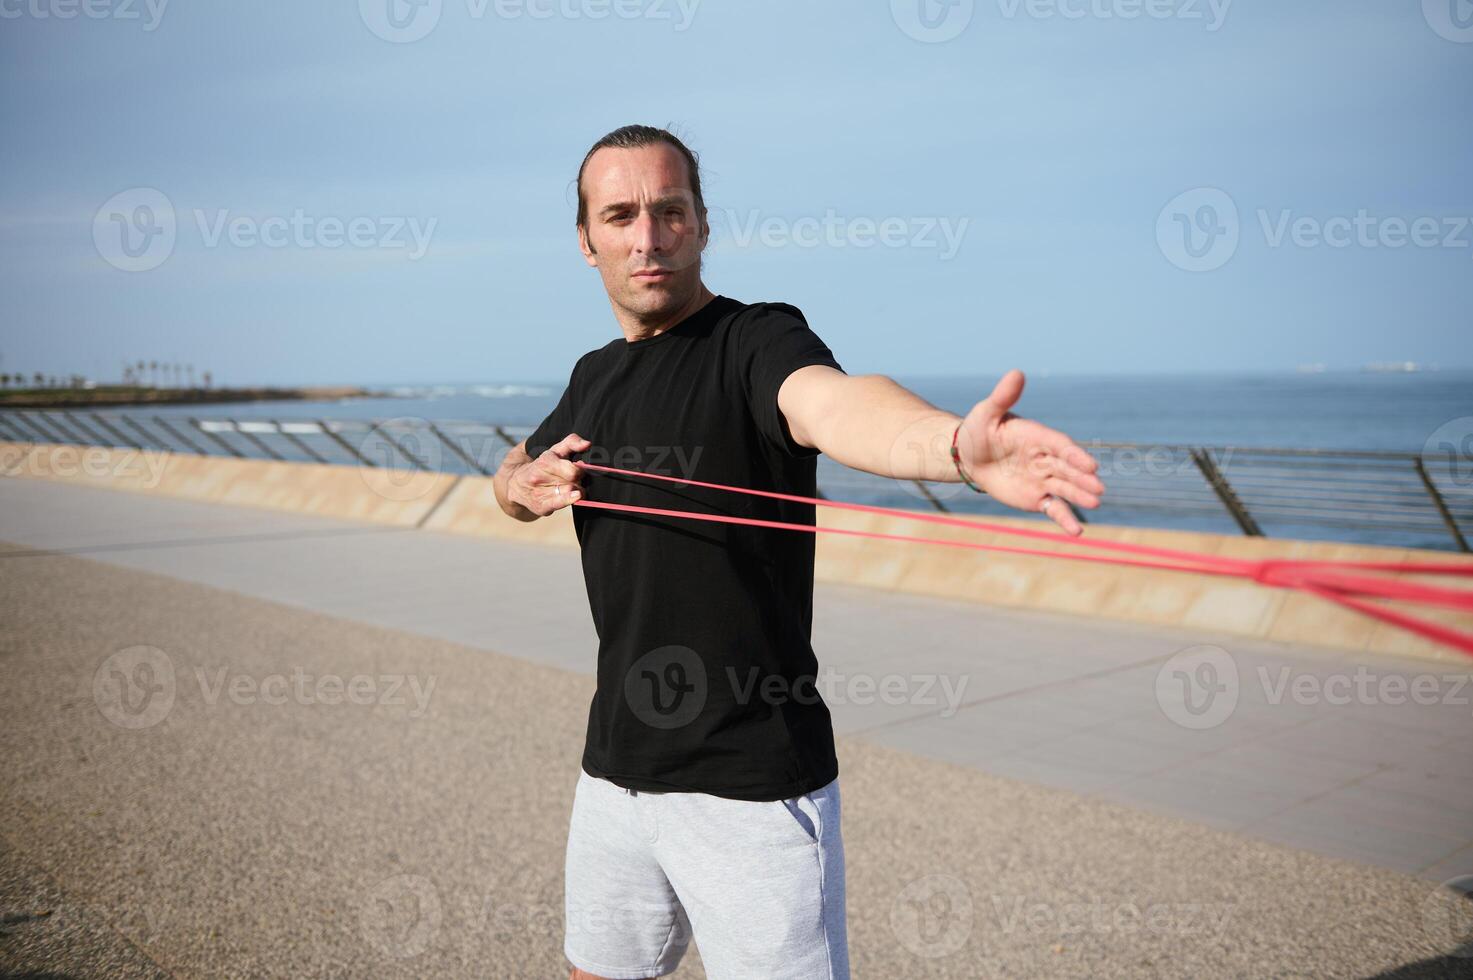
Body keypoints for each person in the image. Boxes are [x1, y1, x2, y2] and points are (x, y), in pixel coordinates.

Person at [491, 125, 1106, 980]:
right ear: (586, 241)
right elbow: (519, 468)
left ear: (702, 224)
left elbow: (839, 404)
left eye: (669, 211)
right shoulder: (594, 376)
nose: (648, 237)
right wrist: (516, 488)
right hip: (614, 774)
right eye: (621, 215)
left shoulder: (755, 340)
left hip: (751, 791)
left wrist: (954, 449)